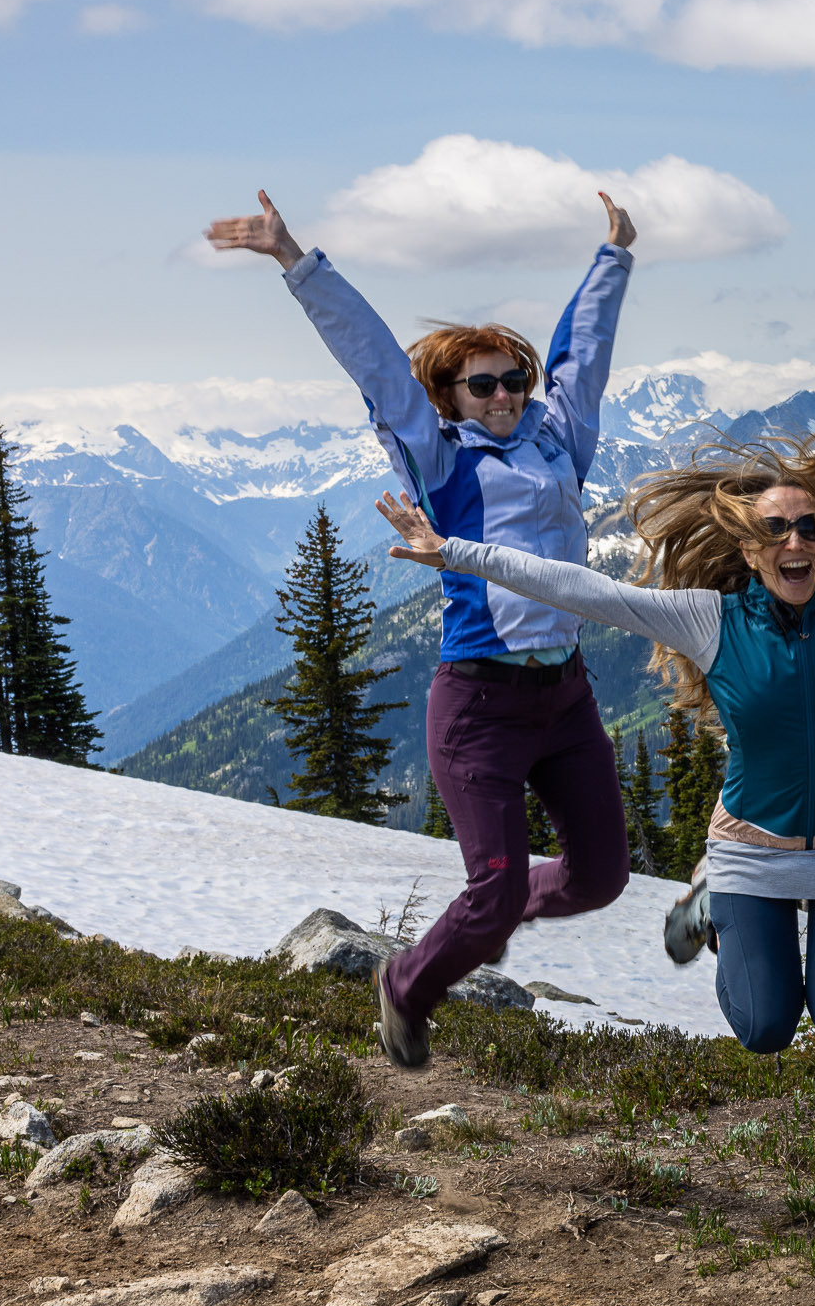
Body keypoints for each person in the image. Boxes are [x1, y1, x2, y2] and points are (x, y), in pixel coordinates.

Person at [374, 395, 815, 1052]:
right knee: (765, 1028)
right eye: (775, 530)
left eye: (809, 527)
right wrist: (457, 554)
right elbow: (581, 589)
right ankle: (712, 896)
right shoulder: (710, 620)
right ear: (751, 550)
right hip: (751, 850)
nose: (795, 542)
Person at [205, 189, 638, 1070]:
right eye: (484, 383)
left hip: (565, 697)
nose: (507, 393)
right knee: (494, 887)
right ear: (449, 395)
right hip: (480, 701)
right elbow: (374, 365)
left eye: (515, 379)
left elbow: (582, 358)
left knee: (600, 877)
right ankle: (407, 985)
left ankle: (492, 917)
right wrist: (299, 262)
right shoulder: (437, 458)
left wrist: (615, 256)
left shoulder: (560, 444)